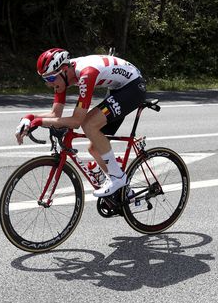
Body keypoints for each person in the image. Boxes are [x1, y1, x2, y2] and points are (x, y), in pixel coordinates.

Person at [15, 48, 147, 198]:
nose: (49, 85)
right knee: (95, 148)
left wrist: (39, 122)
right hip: (118, 88)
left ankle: (118, 178)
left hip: (133, 87)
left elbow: (76, 121)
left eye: (50, 79)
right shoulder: (63, 76)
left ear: (64, 70)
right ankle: (126, 193)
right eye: (45, 80)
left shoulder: (86, 74)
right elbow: (55, 114)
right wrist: (30, 117)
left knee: (88, 124)